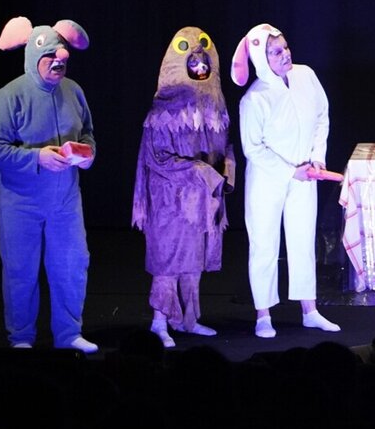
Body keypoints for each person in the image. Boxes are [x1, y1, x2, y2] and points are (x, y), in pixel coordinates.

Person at [0, 17, 98, 353]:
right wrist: (36, 158)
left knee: (72, 265)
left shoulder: (74, 91)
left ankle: (69, 334)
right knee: (21, 270)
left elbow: (87, 133)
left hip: (65, 200)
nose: (59, 63)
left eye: (62, 59)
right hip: (21, 202)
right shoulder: (9, 96)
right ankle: (21, 337)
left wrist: (87, 154)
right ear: (34, 58)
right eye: (51, 58)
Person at [231, 23, 340, 336]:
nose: (285, 54)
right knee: (264, 244)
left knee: (303, 241)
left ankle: (310, 310)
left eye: (285, 47)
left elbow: (321, 116)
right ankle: (263, 315)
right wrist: (290, 171)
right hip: (268, 180)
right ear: (261, 59)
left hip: (305, 175)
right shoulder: (254, 99)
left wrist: (317, 157)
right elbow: (253, 149)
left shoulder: (306, 76)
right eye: (275, 51)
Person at [132, 26, 235, 348]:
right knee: (169, 260)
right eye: (193, 63)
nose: (200, 67)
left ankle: (189, 319)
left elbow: (224, 147)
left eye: (204, 63)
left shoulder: (216, 108)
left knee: (194, 259)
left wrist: (227, 168)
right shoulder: (163, 110)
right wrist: (200, 172)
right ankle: (159, 321)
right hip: (171, 200)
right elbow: (157, 159)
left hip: (202, 201)